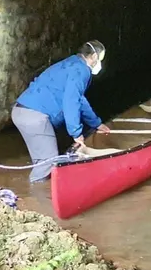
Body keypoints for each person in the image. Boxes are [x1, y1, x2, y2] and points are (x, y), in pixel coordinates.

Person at [11, 40, 112, 182]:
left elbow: (79, 100)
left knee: (42, 161)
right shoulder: (81, 70)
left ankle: (36, 190)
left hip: (21, 111)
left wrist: (96, 123)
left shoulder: (72, 63)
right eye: (101, 58)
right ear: (94, 57)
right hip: (35, 116)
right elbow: (71, 102)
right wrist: (76, 133)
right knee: (49, 162)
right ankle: (34, 196)